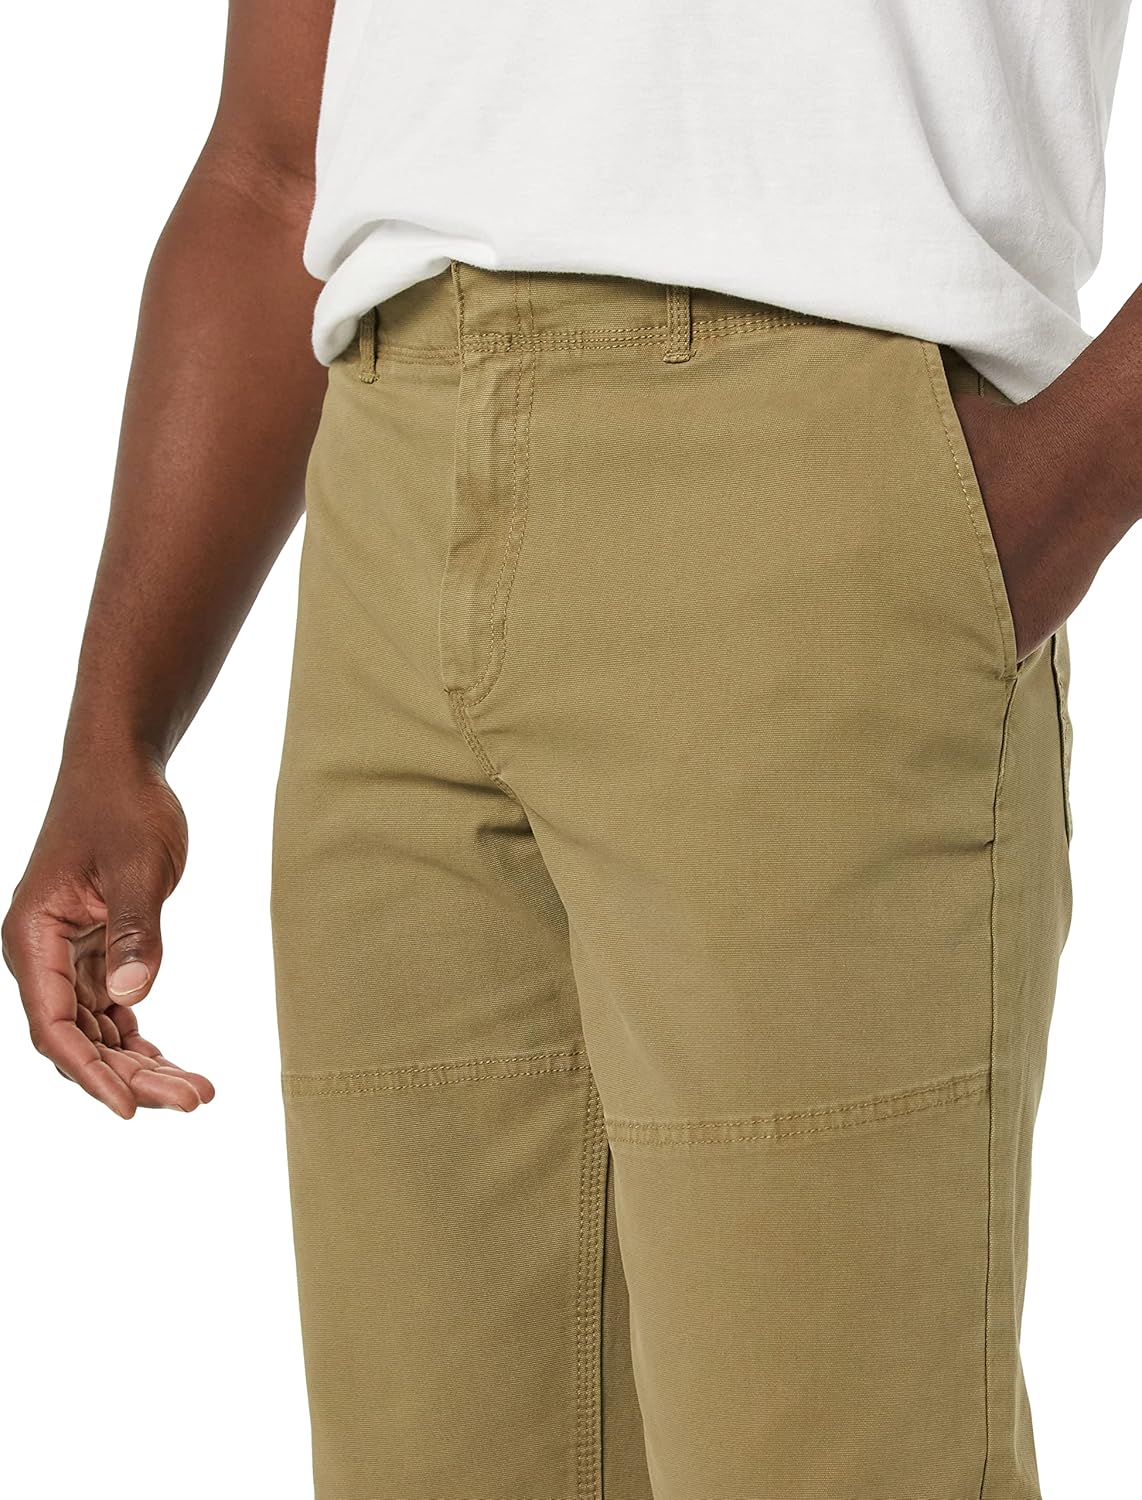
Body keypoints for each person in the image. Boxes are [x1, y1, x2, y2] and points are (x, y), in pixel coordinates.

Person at [4, 1, 1138, 1495]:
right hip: (389, 501)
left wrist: (1054, 494)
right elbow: (275, 167)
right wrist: (118, 731)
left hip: (813, 486)